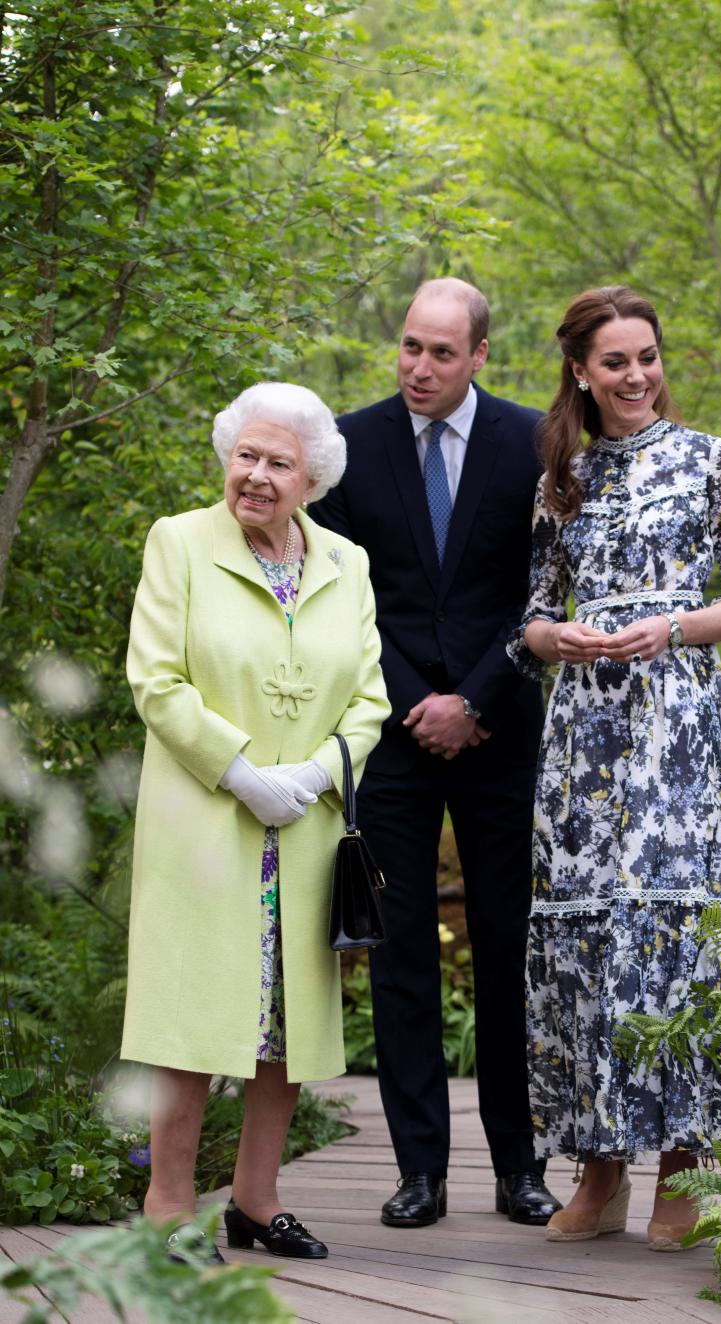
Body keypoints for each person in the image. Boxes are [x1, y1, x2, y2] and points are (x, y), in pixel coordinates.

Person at [507, 287, 721, 1250]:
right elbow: (531, 616)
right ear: (580, 369)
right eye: (615, 362)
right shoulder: (561, 479)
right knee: (589, 940)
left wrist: (672, 628)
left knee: (680, 930)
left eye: (648, 357)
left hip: (678, 726)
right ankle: (601, 1169)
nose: (636, 376)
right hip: (586, 741)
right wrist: (558, 638)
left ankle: (684, 1166)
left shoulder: (711, 461)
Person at [309, 277, 560, 1228]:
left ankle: (518, 1169)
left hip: (502, 731)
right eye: (411, 347)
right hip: (395, 737)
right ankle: (420, 1173)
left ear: (481, 356)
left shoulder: (536, 444)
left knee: (509, 950)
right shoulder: (349, 444)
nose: (419, 368)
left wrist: (480, 698)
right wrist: (423, 704)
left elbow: (546, 588)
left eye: (442, 353)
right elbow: (339, 599)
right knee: (401, 955)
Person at [122, 382, 389, 1262]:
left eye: (279, 462)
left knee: (284, 1023)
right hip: (208, 821)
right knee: (191, 1018)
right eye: (246, 455)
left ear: (312, 477)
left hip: (304, 830)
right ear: (225, 457)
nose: (258, 476)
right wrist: (240, 772)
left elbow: (370, 698)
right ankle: (166, 1205)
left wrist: (315, 774)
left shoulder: (346, 562)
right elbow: (156, 681)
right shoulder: (181, 543)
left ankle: (254, 1197)